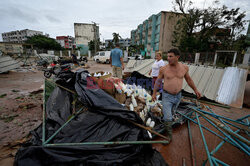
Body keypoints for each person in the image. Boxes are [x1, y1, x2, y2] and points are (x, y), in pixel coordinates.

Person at [152, 48, 201, 141]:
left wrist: (195, 90)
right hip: (167, 96)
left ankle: (169, 116)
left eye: (171, 56)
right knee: (168, 117)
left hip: (178, 96)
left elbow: (189, 79)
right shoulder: (163, 69)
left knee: (173, 111)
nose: (168, 58)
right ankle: (169, 136)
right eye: (167, 56)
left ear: (177, 57)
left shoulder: (184, 68)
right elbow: (158, 82)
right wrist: (154, 93)